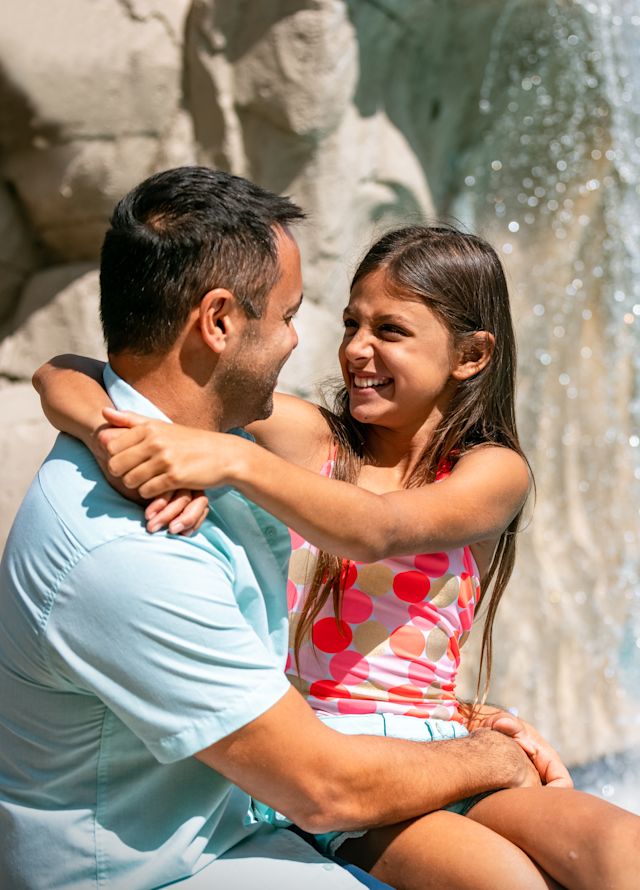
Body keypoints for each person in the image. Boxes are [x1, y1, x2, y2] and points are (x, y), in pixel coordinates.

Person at [33, 217, 640, 889]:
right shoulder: (315, 440)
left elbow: (375, 528)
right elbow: (63, 373)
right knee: (504, 880)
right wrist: (110, 440)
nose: (357, 348)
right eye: (353, 323)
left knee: (621, 845)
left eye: (391, 331)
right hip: (345, 767)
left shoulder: (492, 471)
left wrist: (232, 459)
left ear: (470, 355)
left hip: (440, 745)